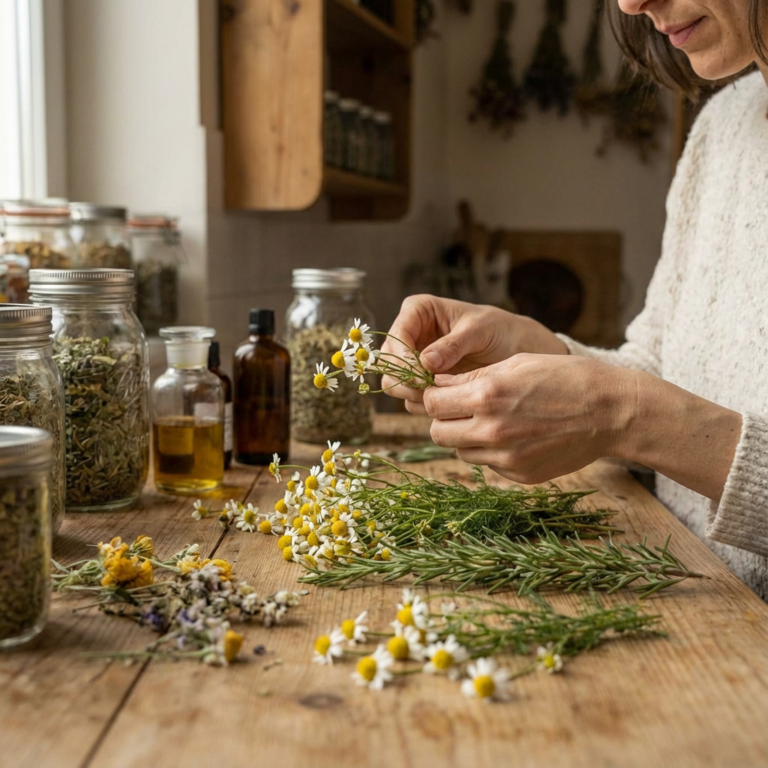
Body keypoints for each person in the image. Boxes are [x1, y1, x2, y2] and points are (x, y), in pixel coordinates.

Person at [382, 0, 768, 600]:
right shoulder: (724, 126)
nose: (631, 3)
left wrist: (622, 415)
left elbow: (649, 412)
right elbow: (668, 372)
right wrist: (532, 349)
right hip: (690, 599)